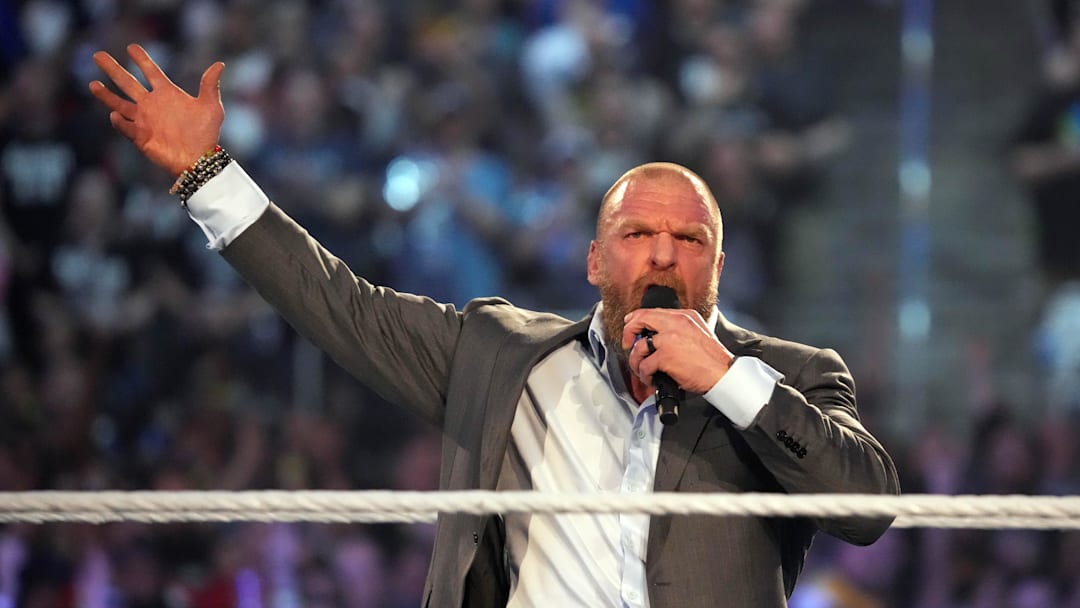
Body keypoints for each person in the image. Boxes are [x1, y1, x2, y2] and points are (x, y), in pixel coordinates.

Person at [88, 44, 899, 608]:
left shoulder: (791, 376)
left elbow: (866, 508)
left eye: (689, 241)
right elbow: (340, 303)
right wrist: (206, 175)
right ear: (592, 261)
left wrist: (725, 377)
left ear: (717, 267)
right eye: (636, 237)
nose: (661, 257)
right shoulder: (501, 357)